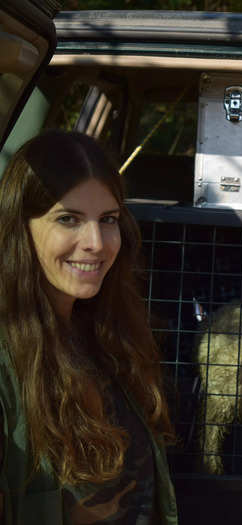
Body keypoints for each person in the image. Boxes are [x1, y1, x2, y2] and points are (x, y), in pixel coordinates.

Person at [0, 130, 178, 524]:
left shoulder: (109, 333)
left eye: (108, 220)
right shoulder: (7, 362)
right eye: (68, 219)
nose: (96, 242)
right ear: (20, 228)